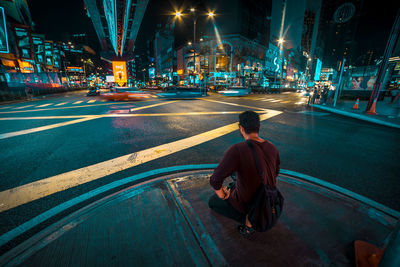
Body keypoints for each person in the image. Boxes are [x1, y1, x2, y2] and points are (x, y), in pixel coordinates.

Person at [208, 111, 280, 236]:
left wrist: (224, 196)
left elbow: (215, 180)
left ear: (241, 128)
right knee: (236, 179)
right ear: (259, 127)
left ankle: (249, 220)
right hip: (269, 198)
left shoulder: (238, 149)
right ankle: (255, 215)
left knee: (213, 202)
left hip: (248, 203)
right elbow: (275, 172)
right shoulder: (272, 147)